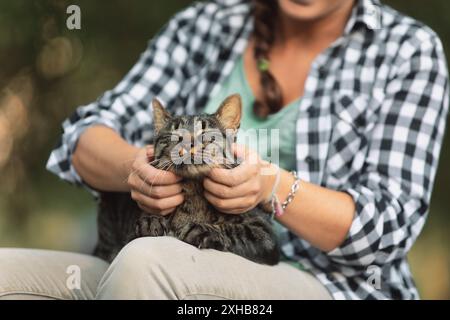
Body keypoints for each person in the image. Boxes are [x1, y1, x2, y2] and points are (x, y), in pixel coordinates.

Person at [0, 0, 448, 300]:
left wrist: (272, 185)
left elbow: (388, 228)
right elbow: (83, 135)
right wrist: (134, 167)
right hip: (167, 258)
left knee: (144, 264)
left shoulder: (408, 50)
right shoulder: (207, 23)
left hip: (328, 284)